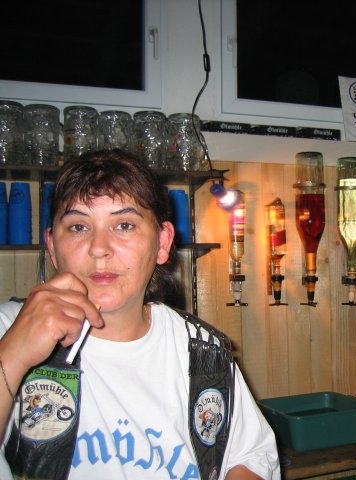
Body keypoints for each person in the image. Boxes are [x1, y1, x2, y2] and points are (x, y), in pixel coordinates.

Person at [0, 149, 280, 479]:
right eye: (78, 226)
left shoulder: (203, 349)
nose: (99, 248)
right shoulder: (8, 329)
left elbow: (251, 455)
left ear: (162, 243)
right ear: (52, 246)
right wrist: (14, 355)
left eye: (124, 225)